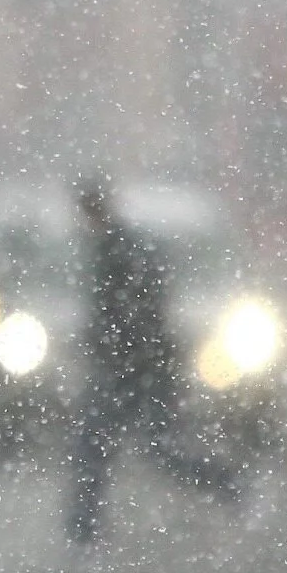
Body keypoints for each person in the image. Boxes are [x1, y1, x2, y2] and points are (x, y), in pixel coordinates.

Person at [65, 175, 240, 545]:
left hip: (136, 370)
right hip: (135, 368)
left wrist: (118, 348)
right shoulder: (112, 249)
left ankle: (230, 485)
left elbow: (137, 314)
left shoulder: (120, 252)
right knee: (120, 448)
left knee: (133, 449)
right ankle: (83, 532)